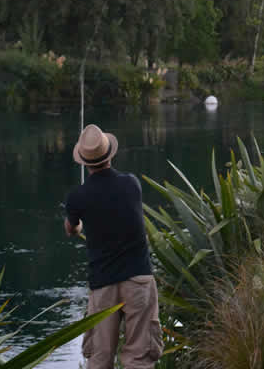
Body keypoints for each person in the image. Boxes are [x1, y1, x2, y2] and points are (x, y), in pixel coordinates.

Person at [64, 124, 163, 368]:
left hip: (103, 284)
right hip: (138, 280)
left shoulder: (77, 197)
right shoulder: (132, 184)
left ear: (84, 161)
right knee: (139, 357)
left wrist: (77, 227)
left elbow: (71, 228)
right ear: (110, 154)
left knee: (99, 357)